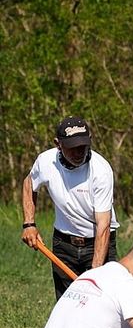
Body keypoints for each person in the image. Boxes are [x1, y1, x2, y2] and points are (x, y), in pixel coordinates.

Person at [20, 116, 121, 298]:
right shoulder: (45, 161)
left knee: (100, 303)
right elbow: (29, 184)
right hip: (63, 245)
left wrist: (95, 272)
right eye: (72, 147)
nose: (78, 152)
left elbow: (103, 226)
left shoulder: (101, 170)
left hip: (96, 244)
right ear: (58, 144)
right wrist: (29, 224)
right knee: (66, 304)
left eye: (83, 146)